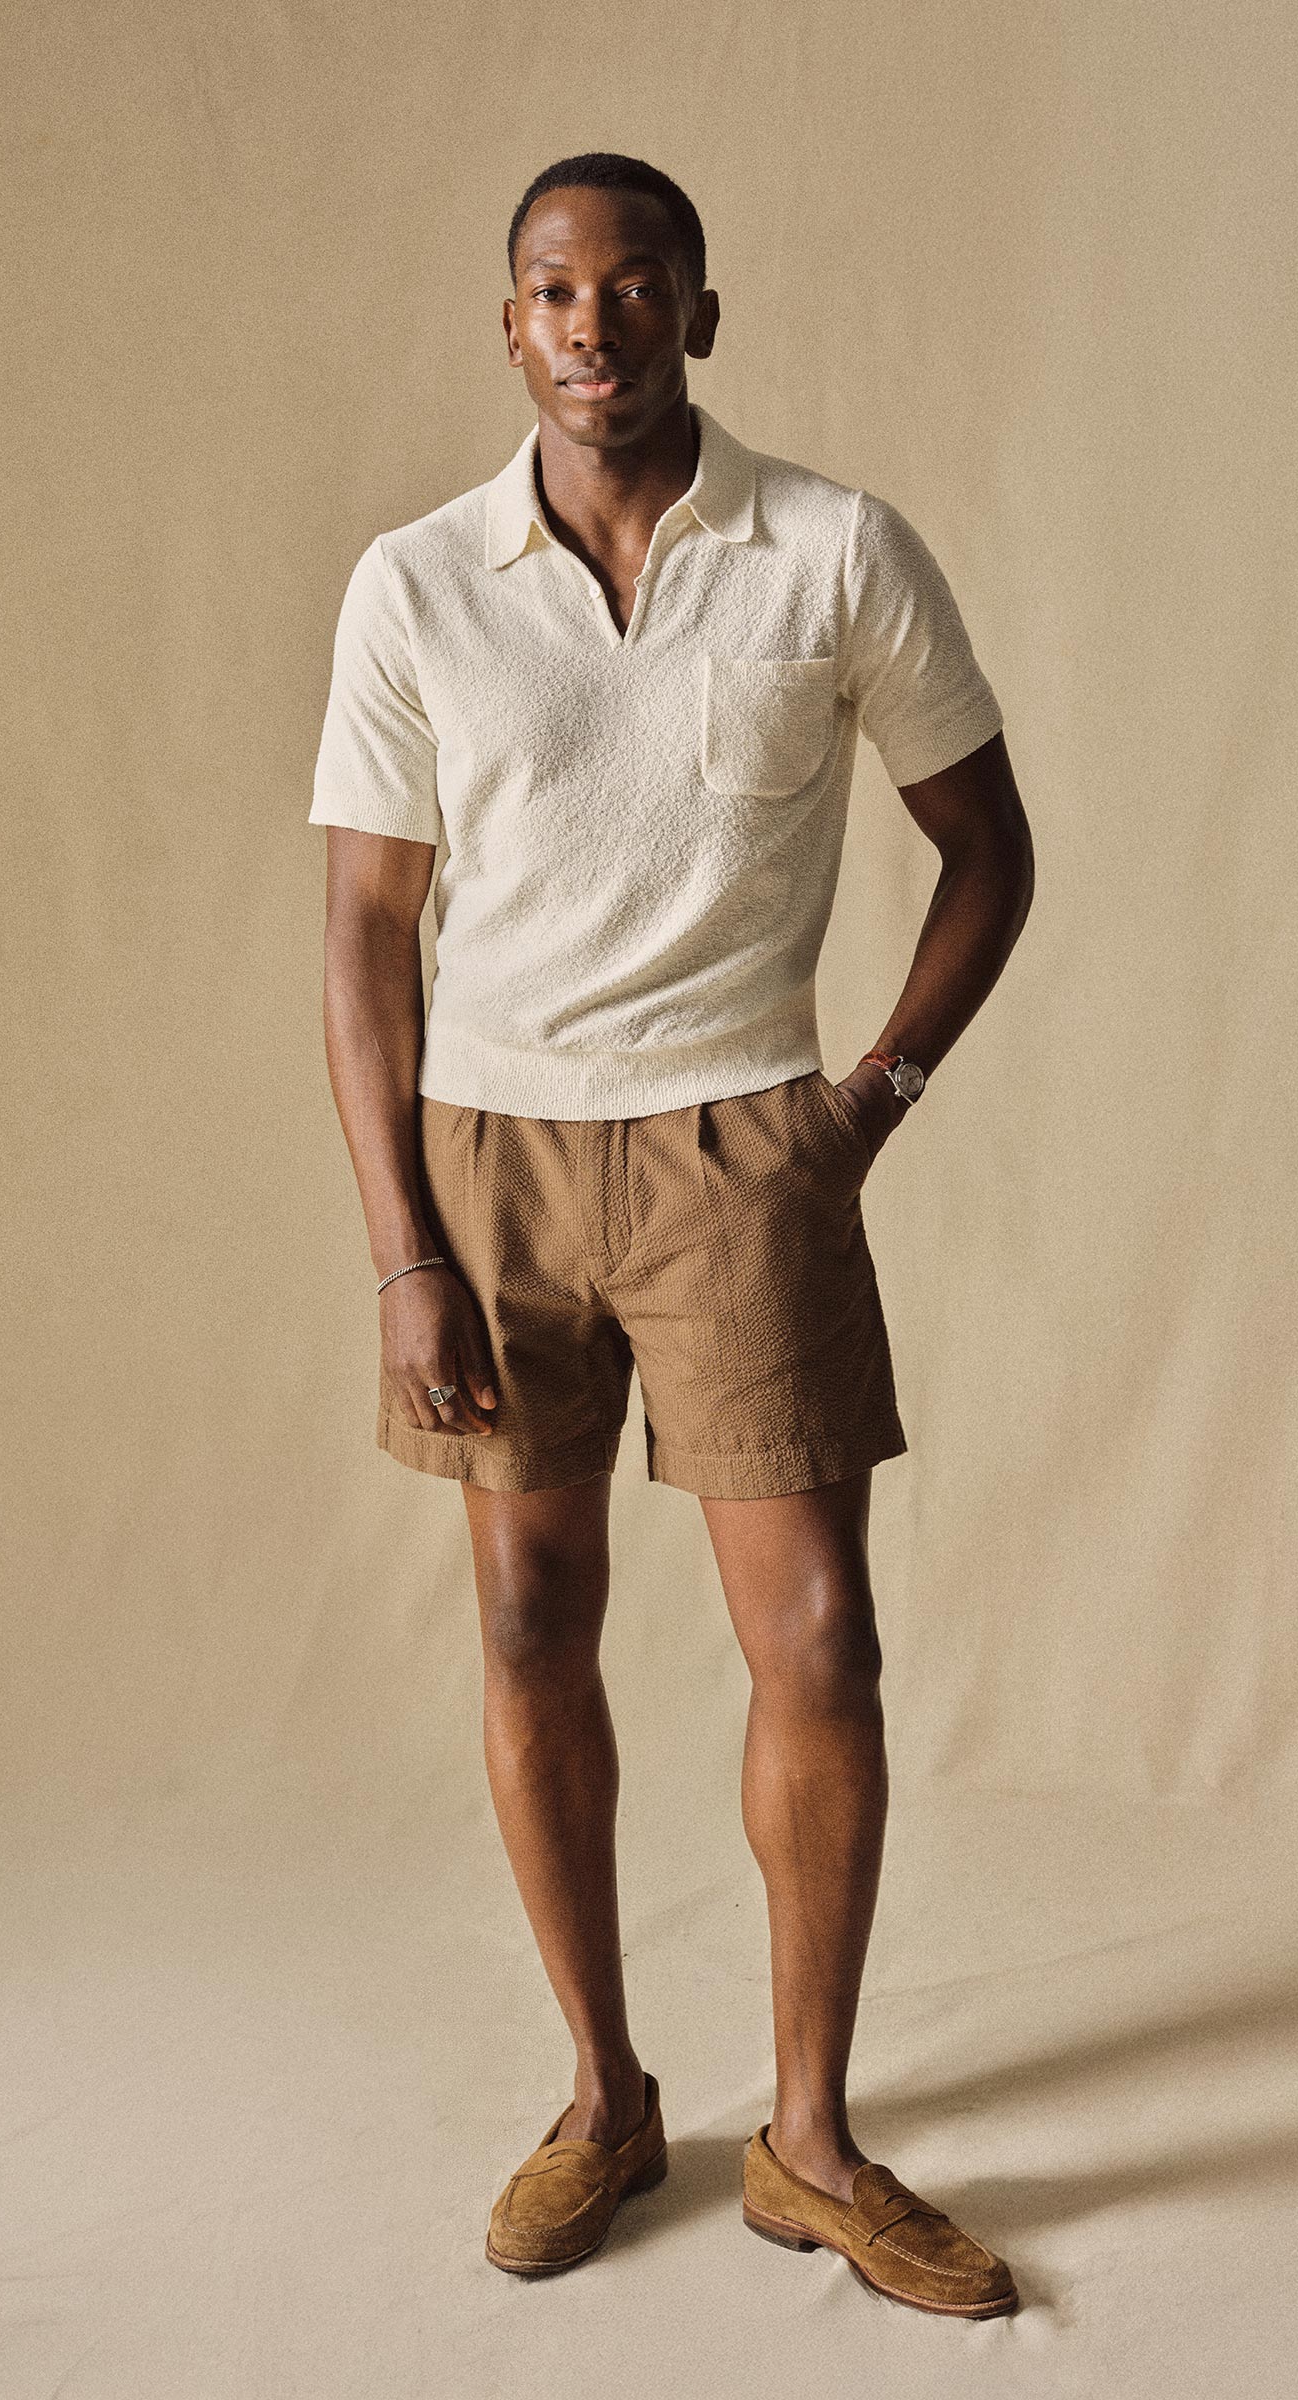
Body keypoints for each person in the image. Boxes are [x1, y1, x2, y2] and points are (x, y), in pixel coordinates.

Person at [310, 149, 1034, 2318]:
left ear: (700, 314)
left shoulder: (835, 553)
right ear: (508, 326)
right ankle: (606, 2098)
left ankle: (808, 2143)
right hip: (492, 1166)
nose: (596, 325)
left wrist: (864, 1106)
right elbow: (362, 942)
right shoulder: (415, 586)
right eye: (556, 290)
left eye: (638, 286)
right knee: (532, 1617)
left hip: (745, 1151)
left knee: (819, 1642)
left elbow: (991, 850)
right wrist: (405, 1252)